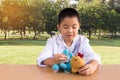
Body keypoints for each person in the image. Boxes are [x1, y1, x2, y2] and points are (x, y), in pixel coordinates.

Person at [37, 8, 100, 75]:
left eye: (74, 27)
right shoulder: (52, 41)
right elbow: (43, 58)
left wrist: (93, 66)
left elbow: (92, 56)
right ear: (59, 27)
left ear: (79, 26)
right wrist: (52, 60)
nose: (70, 31)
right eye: (66, 27)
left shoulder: (82, 41)